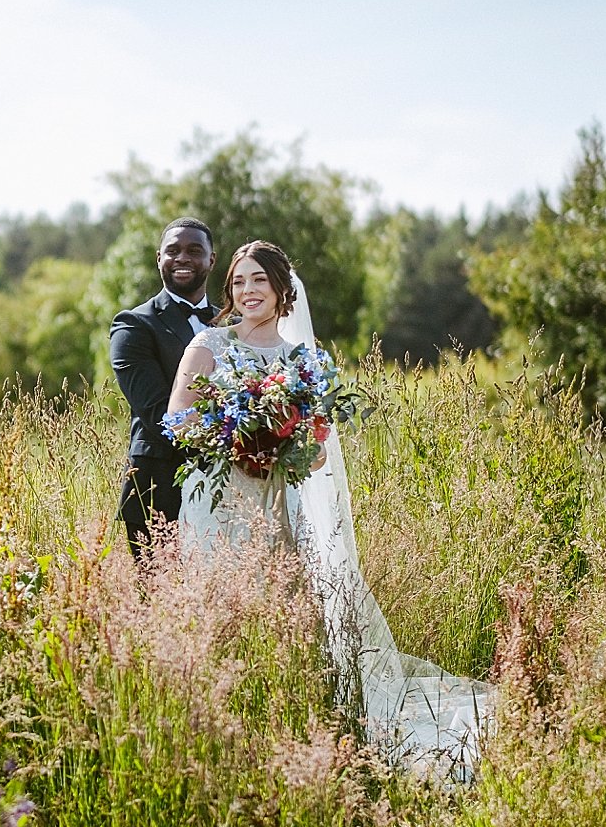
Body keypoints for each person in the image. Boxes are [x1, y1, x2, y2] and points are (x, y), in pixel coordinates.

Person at [167, 239, 493, 783]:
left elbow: (317, 447)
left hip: (279, 500)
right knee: (221, 599)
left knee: (286, 601)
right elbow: (178, 423)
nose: (248, 291)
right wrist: (239, 441)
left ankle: (293, 711)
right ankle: (219, 711)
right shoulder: (208, 346)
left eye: (259, 281)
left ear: (281, 291)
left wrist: (281, 445)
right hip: (221, 499)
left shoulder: (304, 360)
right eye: (239, 282)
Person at [110, 216, 217, 566]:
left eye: (194, 250)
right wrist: (231, 440)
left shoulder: (231, 325)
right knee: (159, 608)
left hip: (227, 487)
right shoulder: (134, 326)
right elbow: (158, 414)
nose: (182, 258)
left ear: (211, 260)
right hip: (158, 491)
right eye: (173, 250)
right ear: (159, 258)